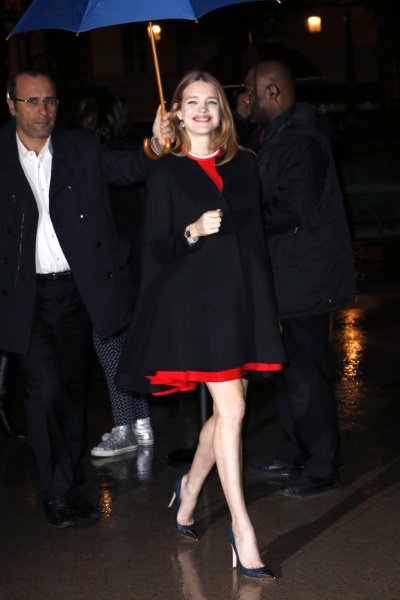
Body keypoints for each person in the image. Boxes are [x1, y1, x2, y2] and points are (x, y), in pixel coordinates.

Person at [116, 71, 286, 579]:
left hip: (239, 305)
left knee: (228, 413)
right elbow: (154, 250)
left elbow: (256, 247)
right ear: (177, 112)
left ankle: (189, 487)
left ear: (223, 111)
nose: (203, 110)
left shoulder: (244, 166)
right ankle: (242, 528)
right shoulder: (167, 172)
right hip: (195, 308)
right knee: (232, 408)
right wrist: (191, 231)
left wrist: (266, 311)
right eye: (192, 102)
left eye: (211, 101)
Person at [0, 69, 166, 528]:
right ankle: (55, 493)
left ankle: (70, 483)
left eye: (50, 100)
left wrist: (154, 145)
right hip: (26, 297)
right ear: (11, 105)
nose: (43, 110)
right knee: (44, 391)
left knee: (73, 391)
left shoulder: (81, 147)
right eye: (32, 101)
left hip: (76, 292)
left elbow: (128, 168)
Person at [244, 60, 355, 497]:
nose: (245, 100)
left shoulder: (302, 139)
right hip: (286, 274)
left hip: (306, 278)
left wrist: (240, 218)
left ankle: (322, 465)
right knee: (286, 370)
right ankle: (294, 450)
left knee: (307, 374)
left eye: (251, 92)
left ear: (273, 93)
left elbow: (293, 207)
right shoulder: (273, 135)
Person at [76, 87, 154, 457]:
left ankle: (126, 427)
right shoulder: (133, 148)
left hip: (117, 265)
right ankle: (141, 424)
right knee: (125, 346)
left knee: (108, 344)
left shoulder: (100, 158)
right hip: (142, 264)